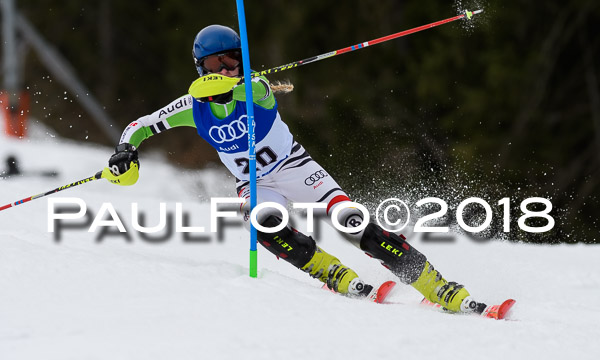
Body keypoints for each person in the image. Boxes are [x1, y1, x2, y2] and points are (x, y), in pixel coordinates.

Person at [105, 24, 479, 312]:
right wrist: (125, 150)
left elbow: (253, 91)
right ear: (200, 67)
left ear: (242, 60)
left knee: (352, 221)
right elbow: (141, 125)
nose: (224, 70)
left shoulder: (257, 89)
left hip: (297, 169)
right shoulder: (192, 106)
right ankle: (330, 272)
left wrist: (233, 83)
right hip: (255, 183)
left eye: (231, 61)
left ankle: (436, 286)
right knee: (264, 222)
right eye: (214, 65)